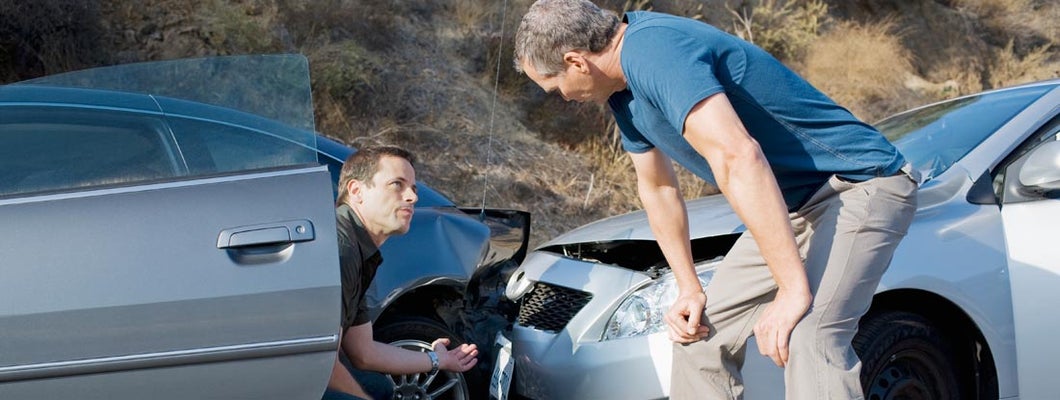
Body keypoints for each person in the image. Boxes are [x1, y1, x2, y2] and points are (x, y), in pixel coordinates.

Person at [513, 1, 918, 399]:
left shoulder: (653, 49)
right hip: (794, 207)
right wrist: (689, 288)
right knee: (698, 336)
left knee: (811, 334)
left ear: (576, 62)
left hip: (858, 185)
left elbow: (738, 156)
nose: (563, 97)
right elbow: (658, 189)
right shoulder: (624, 94)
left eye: (555, 87)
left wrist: (792, 289)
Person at [323, 145, 479, 400]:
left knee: (380, 387)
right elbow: (323, 366)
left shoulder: (358, 248)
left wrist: (437, 360)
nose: (412, 197)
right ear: (356, 190)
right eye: (397, 184)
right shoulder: (340, 250)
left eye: (414, 189)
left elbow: (364, 352)